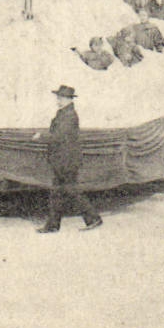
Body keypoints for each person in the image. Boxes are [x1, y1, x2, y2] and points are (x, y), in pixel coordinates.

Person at [36, 84, 102, 232]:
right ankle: (53, 225)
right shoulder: (64, 114)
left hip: (67, 161)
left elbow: (59, 136)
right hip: (62, 160)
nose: (58, 101)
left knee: (71, 191)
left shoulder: (69, 115)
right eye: (58, 97)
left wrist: (41, 136)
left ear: (69, 99)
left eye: (61, 98)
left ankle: (93, 218)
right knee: (57, 193)